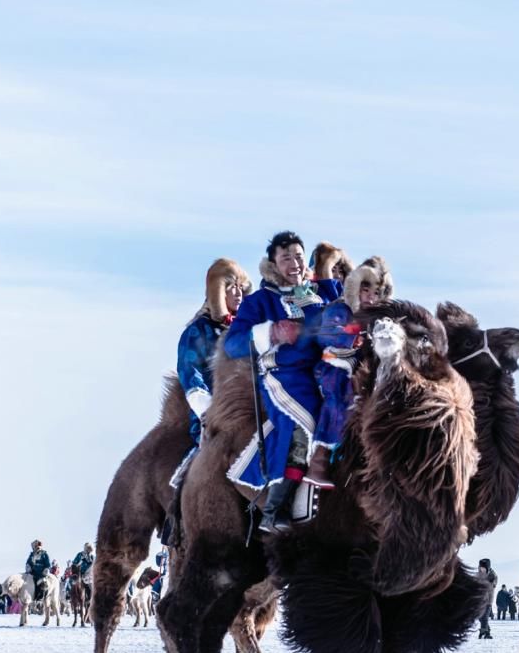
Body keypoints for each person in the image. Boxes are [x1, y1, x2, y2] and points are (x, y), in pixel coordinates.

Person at [224, 231, 334, 533]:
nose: (295, 263)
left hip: (326, 372)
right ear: (273, 264)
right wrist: (271, 332)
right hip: (284, 377)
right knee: (305, 421)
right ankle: (276, 510)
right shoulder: (260, 302)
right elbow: (232, 344)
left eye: (299, 256)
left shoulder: (319, 295)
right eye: (286, 258)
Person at [163, 260, 253, 544]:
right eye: (231, 287)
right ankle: (180, 517)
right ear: (217, 292)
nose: (238, 293)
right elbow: (190, 372)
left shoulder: (249, 333)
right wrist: (207, 408)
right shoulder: (198, 331)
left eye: (241, 288)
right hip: (213, 414)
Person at [307, 258, 394, 488]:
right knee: (340, 396)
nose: (371, 298)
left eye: (377, 292)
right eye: (366, 291)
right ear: (356, 288)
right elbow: (327, 335)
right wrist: (355, 337)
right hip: (334, 366)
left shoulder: (382, 319)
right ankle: (320, 459)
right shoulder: (339, 308)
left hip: (366, 370)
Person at [477, 559, 497, 639]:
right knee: (480, 616)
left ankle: (483, 632)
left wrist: (486, 583)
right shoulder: (478, 574)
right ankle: (487, 632)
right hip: (479, 599)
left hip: (488, 600)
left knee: (484, 617)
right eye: (480, 567)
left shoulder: (492, 575)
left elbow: (493, 585)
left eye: (483, 568)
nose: (481, 569)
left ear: (487, 567)